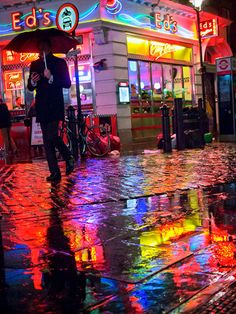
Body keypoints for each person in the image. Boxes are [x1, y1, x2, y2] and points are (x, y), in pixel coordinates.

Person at [27, 38, 74, 183]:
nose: (41, 51)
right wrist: (33, 81)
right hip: (42, 107)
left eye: (43, 48)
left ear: (49, 47)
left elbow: (67, 83)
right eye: (39, 49)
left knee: (52, 136)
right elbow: (30, 87)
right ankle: (54, 172)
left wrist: (51, 77)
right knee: (47, 142)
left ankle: (67, 156)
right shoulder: (34, 64)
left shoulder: (60, 62)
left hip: (55, 105)